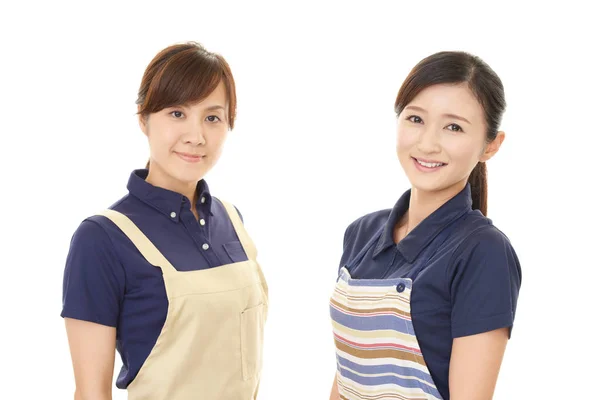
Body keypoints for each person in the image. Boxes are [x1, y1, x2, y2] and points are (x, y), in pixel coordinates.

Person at [61, 42, 268, 400]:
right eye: (176, 113)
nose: (196, 136)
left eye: (212, 117)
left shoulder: (232, 219)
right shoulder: (102, 238)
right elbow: (91, 393)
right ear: (144, 118)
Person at [329, 51, 522, 400]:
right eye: (415, 119)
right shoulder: (360, 233)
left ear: (491, 145)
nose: (427, 143)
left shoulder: (483, 252)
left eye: (453, 127)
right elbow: (347, 375)